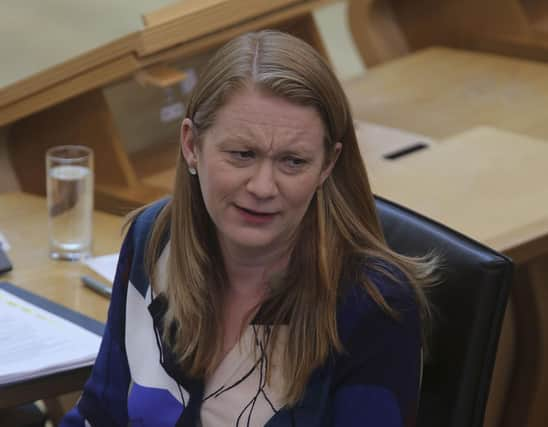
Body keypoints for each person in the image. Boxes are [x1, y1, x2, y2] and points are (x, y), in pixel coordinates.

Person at [61, 30, 436, 427]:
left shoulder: (371, 304)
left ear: (327, 165)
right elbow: (99, 415)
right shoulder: (154, 238)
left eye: (293, 162)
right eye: (242, 155)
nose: (262, 187)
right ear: (191, 144)